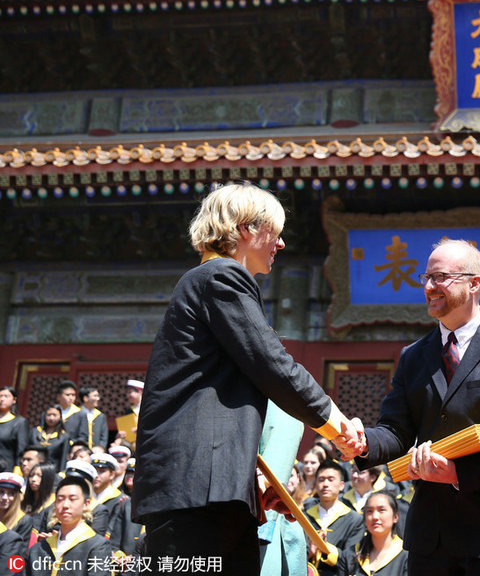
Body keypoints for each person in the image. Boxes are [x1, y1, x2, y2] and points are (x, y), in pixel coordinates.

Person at [130, 183, 363, 574]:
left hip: (207, 492)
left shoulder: (205, 281)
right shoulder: (222, 276)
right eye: (275, 230)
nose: (283, 243)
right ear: (245, 228)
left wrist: (246, 478)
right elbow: (273, 365)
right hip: (195, 497)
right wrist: (339, 428)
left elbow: (216, 404)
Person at [353, 238, 480, 575]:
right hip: (433, 540)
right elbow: (396, 430)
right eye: (425, 278)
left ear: (474, 283)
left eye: (440, 277)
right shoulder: (413, 356)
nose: (429, 287)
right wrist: (363, 442)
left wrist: (458, 475)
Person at [25, 475, 113, 576]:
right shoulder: (38, 549)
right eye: (60, 499)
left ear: (86, 504)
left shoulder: (98, 546)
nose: (65, 505)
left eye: (72, 499)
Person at [306, 461, 366, 576]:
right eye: (321, 479)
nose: (325, 484)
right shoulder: (305, 516)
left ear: (342, 485)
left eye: (331, 479)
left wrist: (326, 549)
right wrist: (309, 552)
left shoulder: (354, 520)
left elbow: (351, 559)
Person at [337, 492, 408, 576]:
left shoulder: (406, 556)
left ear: (395, 517)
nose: (375, 517)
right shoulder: (350, 555)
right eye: (369, 511)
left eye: (381, 510)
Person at [29, 406, 70, 472]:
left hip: (52, 471)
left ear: (60, 417)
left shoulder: (64, 436)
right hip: (34, 469)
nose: (51, 418)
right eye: (49, 415)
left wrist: (61, 473)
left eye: (54, 415)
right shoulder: (35, 432)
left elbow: (63, 458)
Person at [67, 386, 108, 451]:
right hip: (78, 451)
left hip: (96, 452)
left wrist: (100, 448)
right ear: (85, 398)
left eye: (98, 396)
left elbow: (104, 437)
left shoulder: (100, 416)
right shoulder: (74, 414)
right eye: (95, 396)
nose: (98, 399)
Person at [0, 387, 28, 474]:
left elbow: (21, 450)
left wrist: (18, 471)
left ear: (14, 400)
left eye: (6, 396)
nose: (2, 399)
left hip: (6, 470)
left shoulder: (19, 422)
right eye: (0, 396)